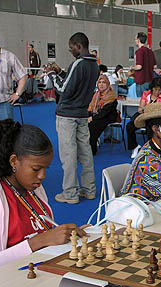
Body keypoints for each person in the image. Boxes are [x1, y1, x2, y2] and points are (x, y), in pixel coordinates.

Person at [0, 120, 88, 276]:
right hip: (7, 281)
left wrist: (66, 236)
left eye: (46, 168)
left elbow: (46, 239)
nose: (42, 176)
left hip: (41, 275)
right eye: (36, 169)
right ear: (14, 161)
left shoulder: (35, 189)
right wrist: (40, 241)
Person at [45, 32, 98, 204]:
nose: (71, 51)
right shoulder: (95, 65)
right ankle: (89, 190)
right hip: (82, 114)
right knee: (86, 153)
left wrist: (52, 74)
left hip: (67, 115)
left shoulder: (79, 63)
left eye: (71, 48)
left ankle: (70, 193)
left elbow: (63, 89)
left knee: (68, 155)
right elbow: (73, 83)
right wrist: (61, 72)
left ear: (78, 46)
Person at [127, 77, 161, 158]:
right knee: (129, 126)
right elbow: (140, 107)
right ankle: (134, 147)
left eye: (159, 90)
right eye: (155, 89)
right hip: (145, 116)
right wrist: (141, 109)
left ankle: (152, 150)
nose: (157, 92)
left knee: (150, 128)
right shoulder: (146, 94)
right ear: (152, 88)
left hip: (156, 118)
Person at [87, 75, 118, 155]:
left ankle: (91, 150)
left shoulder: (111, 97)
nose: (101, 84)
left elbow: (105, 113)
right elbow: (91, 108)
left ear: (108, 84)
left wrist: (92, 118)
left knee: (93, 125)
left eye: (103, 82)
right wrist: (89, 116)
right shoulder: (96, 95)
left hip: (108, 117)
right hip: (98, 116)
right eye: (99, 82)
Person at [131, 32, 157, 97]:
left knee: (141, 101)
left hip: (141, 81)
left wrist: (132, 67)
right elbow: (155, 66)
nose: (135, 41)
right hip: (149, 80)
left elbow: (139, 66)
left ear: (138, 40)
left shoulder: (139, 51)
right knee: (148, 100)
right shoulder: (150, 51)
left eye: (135, 39)